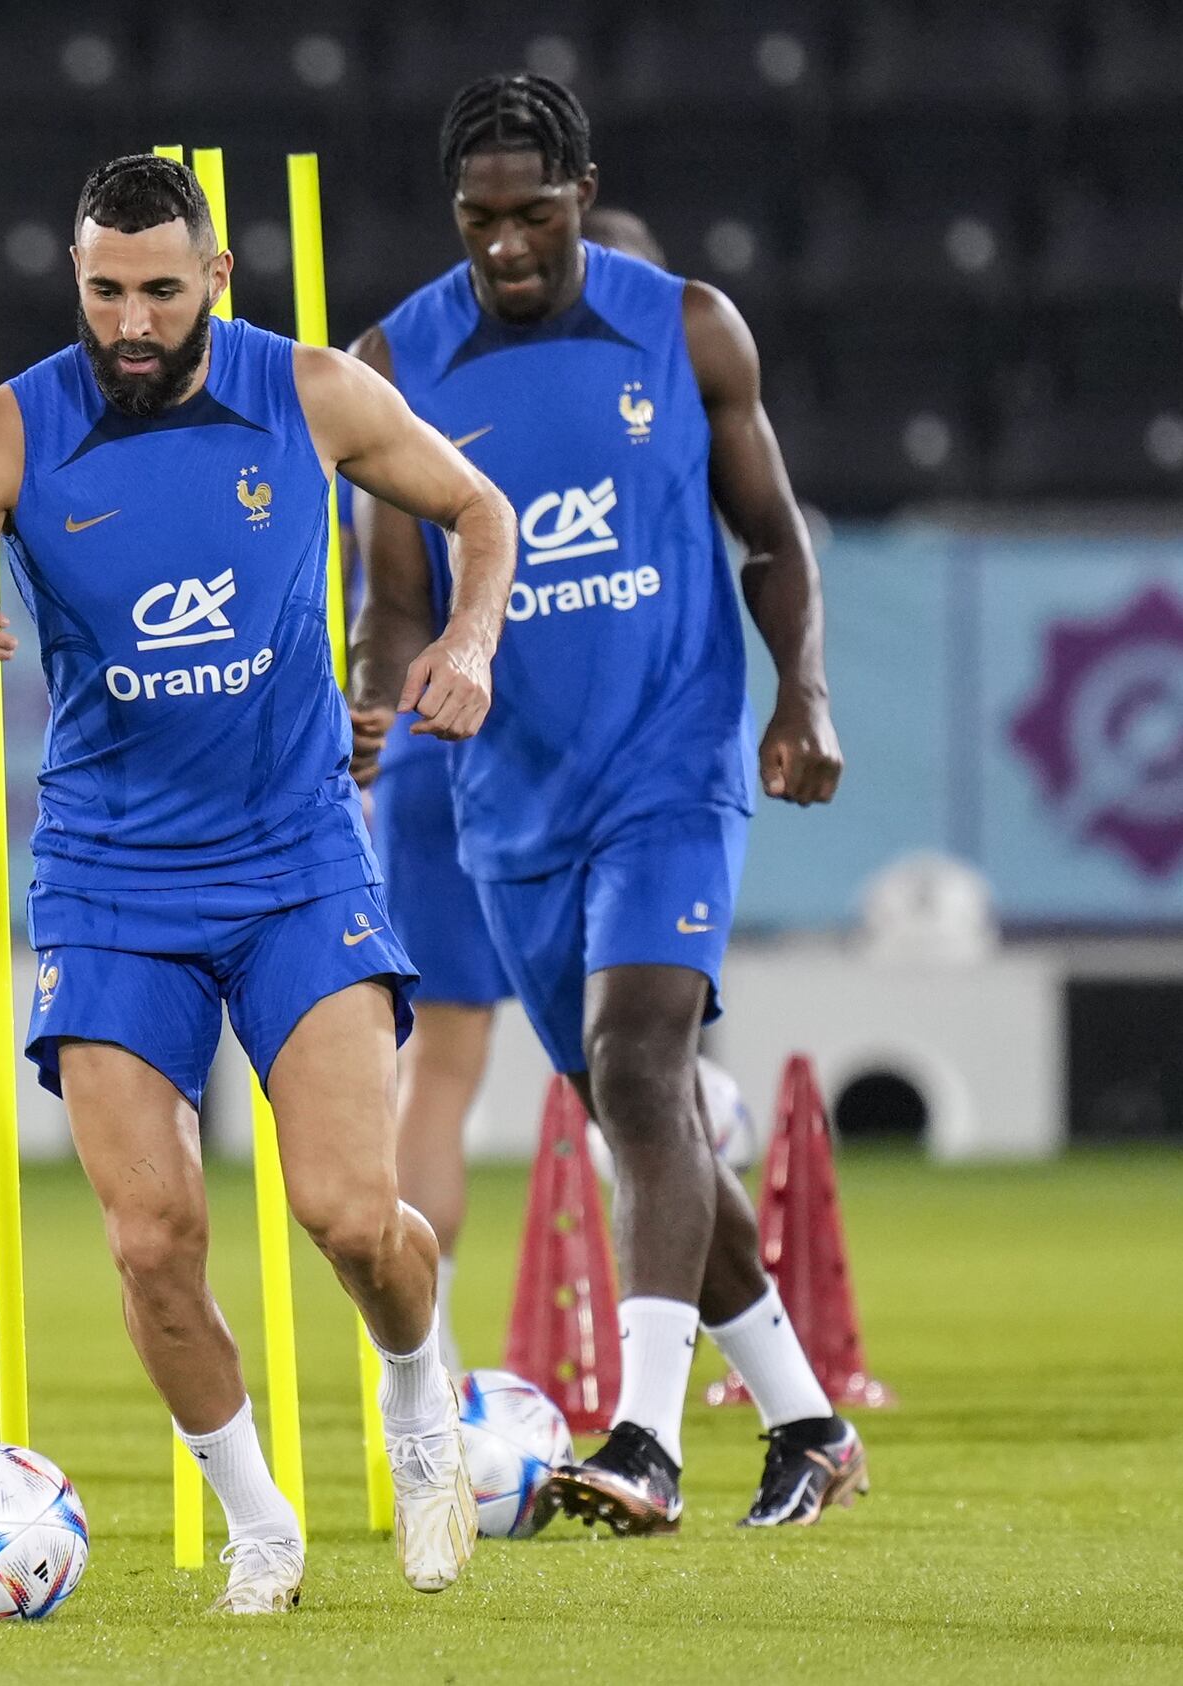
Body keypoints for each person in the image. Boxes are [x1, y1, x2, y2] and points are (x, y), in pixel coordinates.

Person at [0, 154, 516, 1610]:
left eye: (159, 288)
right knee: (152, 1237)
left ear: (216, 276)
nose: (131, 319)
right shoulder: (5, 431)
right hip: (106, 879)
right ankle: (261, 1521)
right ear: (75, 283)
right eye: (104, 290)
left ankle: (416, 1393)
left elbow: (479, 510)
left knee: (350, 1213)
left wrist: (464, 647)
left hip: (293, 861)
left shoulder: (315, 392)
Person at [351, 75, 867, 1534]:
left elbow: (770, 540)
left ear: (582, 194)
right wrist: (381, 703)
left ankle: (641, 1437)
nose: (503, 245)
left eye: (530, 214)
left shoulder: (685, 324)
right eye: (476, 219)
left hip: (671, 760)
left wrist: (802, 693)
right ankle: (807, 1419)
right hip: (506, 797)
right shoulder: (399, 359)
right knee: (627, 1110)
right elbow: (391, 598)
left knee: (637, 1066)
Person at [351, 204, 673, 1376]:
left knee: (438, 1068)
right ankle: (676, 1328)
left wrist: (374, 710)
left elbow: (383, 596)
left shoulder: (434, 397)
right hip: (546, 756)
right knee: (642, 1063)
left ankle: (417, 1365)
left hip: (429, 742)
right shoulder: (627, 428)